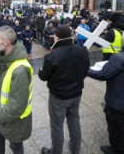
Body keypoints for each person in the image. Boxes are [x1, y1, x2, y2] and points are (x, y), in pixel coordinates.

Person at [39, 25, 90, 154]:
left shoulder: (52, 55)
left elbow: (42, 76)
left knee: (57, 126)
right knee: (74, 121)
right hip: (76, 93)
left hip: (59, 96)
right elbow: (85, 70)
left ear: (56, 37)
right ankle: (75, 149)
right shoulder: (82, 50)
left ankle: (55, 151)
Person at [0, 26, 33, 154]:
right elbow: (0, 83)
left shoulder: (20, 70)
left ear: (6, 42)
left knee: (16, 147)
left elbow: (17, 106)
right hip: (2, 113)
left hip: (15, 121)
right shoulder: (6, 59)